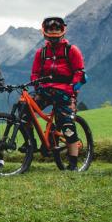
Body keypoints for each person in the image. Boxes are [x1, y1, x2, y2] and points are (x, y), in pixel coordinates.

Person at [30, 16, 86, 170]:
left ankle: (73, 164)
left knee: (67, 126)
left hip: (65, 93)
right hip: (45, 91)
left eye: (56, 29)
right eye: (50, 30)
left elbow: (79, 73)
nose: (53, 32)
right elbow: (35, 73)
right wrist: (37, 85)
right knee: (25, 109)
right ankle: (31, 144)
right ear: (45, 32)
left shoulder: (71, 50)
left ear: (62, 31)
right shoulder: (41, 53)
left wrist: (71, 89)